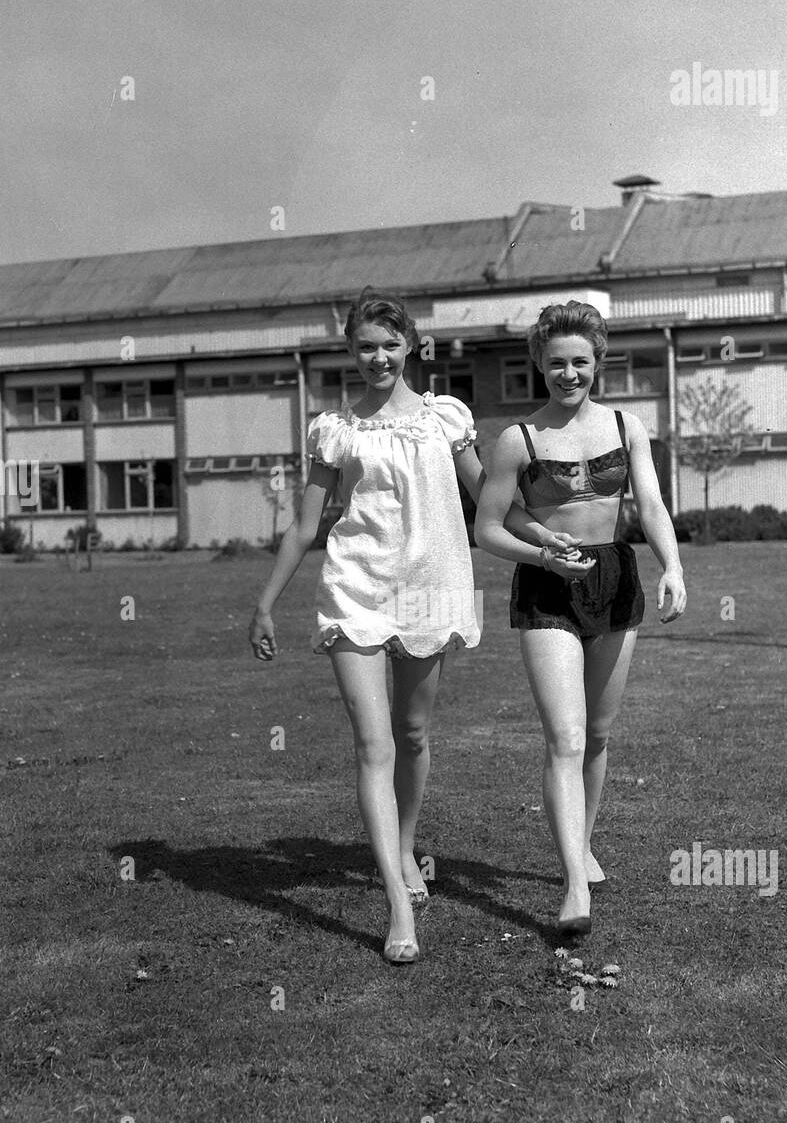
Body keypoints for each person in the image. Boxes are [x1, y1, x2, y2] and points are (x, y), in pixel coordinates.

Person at [248, 287, 566, 964]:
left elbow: (487, 494)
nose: (378, 357)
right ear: (350, 350)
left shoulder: (444, 417)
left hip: (428, 588)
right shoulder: (334, 430)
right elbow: (307, 524)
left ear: (410, 347)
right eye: (365, 345)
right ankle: (397, 899)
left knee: (413, 733)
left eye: (390, 345)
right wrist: (266, 603)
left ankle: (400, 847)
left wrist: (542, 539)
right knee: (372, 746)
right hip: (355, 588)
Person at [475, 300, 687, 937]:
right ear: (539, 362)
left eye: (582, 362)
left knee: (597, 736)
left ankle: (584, 845)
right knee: (564, 738)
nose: (570, 374)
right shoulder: (518, 439)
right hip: (547, 587)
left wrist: (672, 567)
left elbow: (648, 505)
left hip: (616, 580)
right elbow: (486, 527)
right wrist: (543, 552)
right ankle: (572, 885)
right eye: (558, 362)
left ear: (599, 362)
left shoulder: (628, 427)